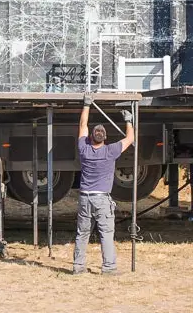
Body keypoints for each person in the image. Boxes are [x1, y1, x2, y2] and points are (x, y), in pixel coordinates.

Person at [74, 94, 134, 275]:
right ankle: (108, 268)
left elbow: (82, 125)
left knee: (82, 234)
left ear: (90, 138)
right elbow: (130, 138)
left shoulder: (84, 149)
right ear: (105, 138)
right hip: (102, 199)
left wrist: (86, 105)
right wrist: (129, 120)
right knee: (106, 234)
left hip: (85, 197)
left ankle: (78, 267)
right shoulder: (110, 151)